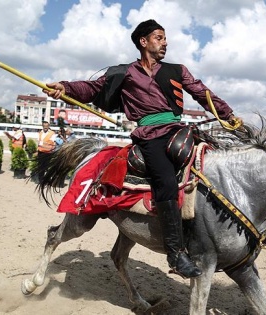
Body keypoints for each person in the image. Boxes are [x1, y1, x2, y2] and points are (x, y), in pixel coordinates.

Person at [43, 19, 242, 278]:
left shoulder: (178, 70)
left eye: (165, 38)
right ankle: (175, 252)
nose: (165, 42)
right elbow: (92, 88)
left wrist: (227, 114)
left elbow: (202, 93)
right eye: (159, 37)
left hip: (178, 131)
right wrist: (66, 87)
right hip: (149, 136)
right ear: (143, 41)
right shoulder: (124, 73)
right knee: (165, 180)